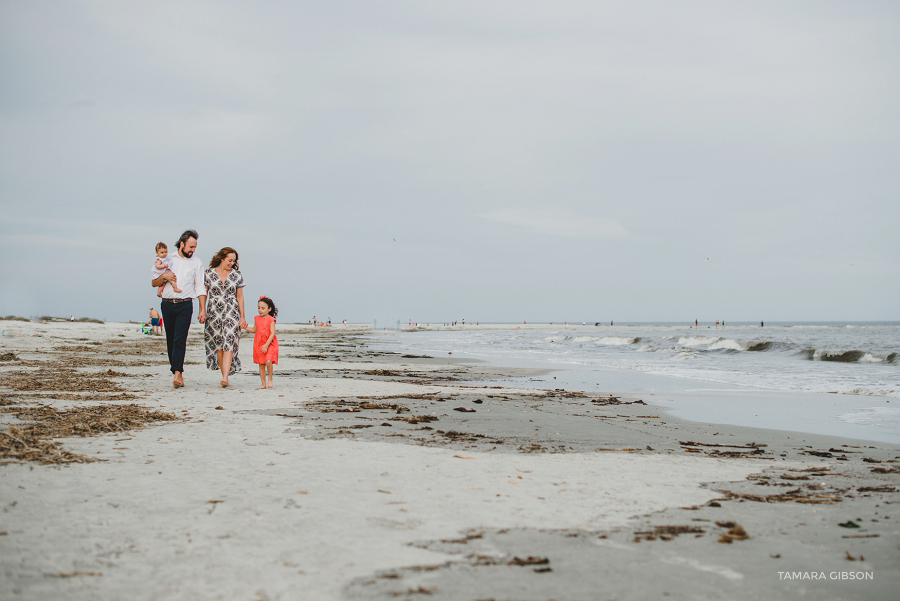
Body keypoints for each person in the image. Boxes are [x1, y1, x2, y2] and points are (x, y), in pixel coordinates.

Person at [150, 230, 206, 389]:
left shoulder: (197, 263)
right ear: (182, 244)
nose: (193, 250)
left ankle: (176, 373)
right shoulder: (167, 259)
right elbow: (154, 283)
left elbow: (200, 288)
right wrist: (164, 278)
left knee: (179, 339)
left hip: (185, 305)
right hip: (167, 304)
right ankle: (178, 373)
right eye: (191, 247)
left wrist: (202, 310)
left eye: (195, 247)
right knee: (170, 340)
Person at [202, 247, 247, 388]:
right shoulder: (208, 274)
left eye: (233, 261)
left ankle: (225, 378)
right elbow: (204, 294)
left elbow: (240, 297)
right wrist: (202, 310)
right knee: (219, 346)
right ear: (222, 258)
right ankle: (223, 375)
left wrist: (242, 317)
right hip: (214, 311)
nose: (231, 263)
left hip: (231, 311)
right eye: (229, 260)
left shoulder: (237, 275)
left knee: (229, 342)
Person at [244, 296, 278, 389]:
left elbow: (272, 333)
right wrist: (245, 328)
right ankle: (263, 383)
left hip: (269, 343)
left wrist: (266, 345)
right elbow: (255, 330)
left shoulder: (271, 320)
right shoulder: (256, 319)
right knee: (261, 364)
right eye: (259, 308)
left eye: (263, 308)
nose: (260, 310)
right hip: (259, 343)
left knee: (268, 361)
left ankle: (270, 379)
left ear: (269, 309)